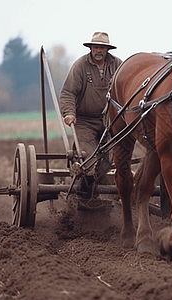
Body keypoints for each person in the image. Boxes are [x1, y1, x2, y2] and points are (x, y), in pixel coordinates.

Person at [59, 31, 123, 199]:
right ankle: (84, 192)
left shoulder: (118, 65)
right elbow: (68, 93)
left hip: (109, 121)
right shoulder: (80, 66)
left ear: (107, 49)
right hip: (84, 122)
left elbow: (127, 92)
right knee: (88, 158)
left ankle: (92, 190)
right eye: (96, 47)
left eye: (102, 47)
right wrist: (69, 113)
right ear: (91, 48)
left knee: (110, 157)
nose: (99, 50)